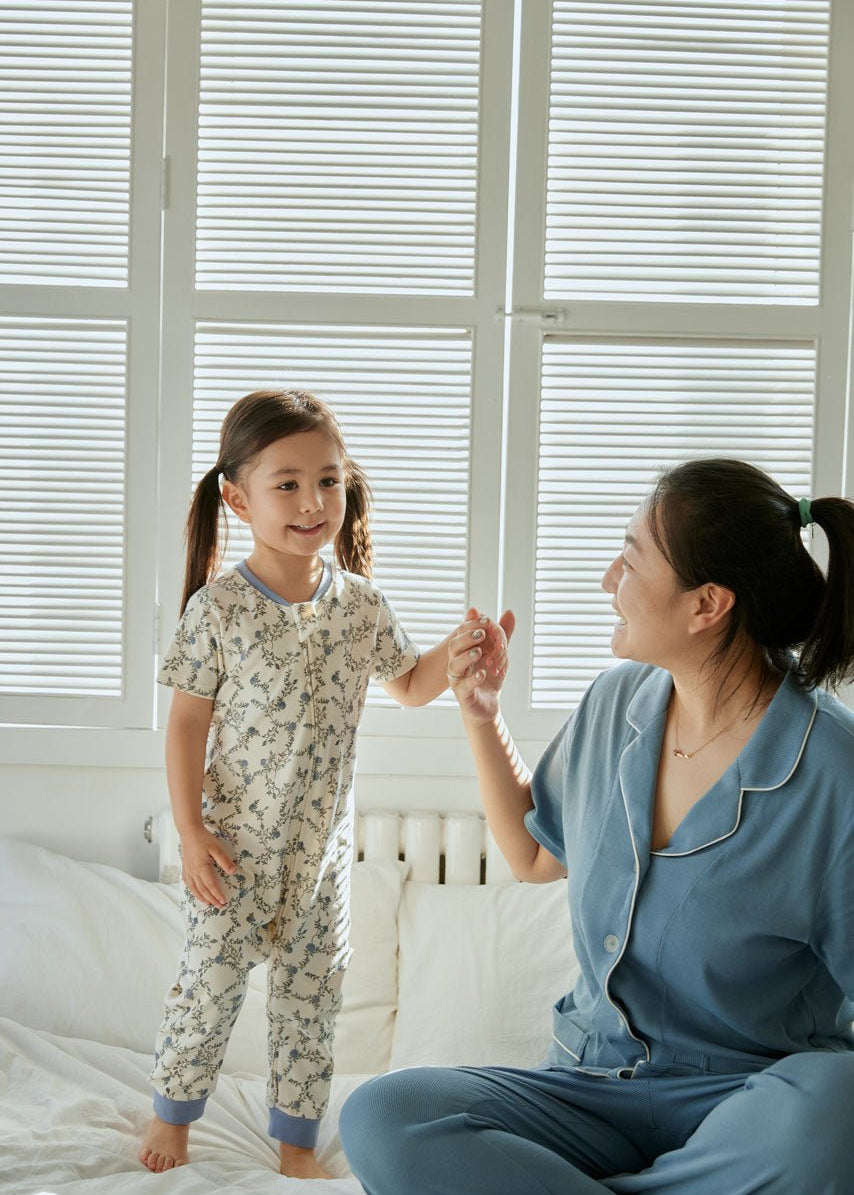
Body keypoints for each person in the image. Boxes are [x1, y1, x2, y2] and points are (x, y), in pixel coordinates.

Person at [340, 457, 854, 1194]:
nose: (609, 577)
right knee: (384, 1115)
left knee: (838, 1108)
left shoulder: (833, 771)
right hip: (589, 1090)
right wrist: (482, 714)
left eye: (633, 557)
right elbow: (530, 853)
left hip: (744, 1108)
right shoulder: (619, 705)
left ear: (706, 603)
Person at [138, 389, 501, 1178]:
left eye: (329, 481)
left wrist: (464, 645)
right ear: (237, 496)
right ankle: (173, 1117)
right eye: (289, 483)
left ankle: (295, 1143)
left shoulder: (361, 605)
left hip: (320, 862)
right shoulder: (218, 610)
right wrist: (191, 830)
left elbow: (408, 683)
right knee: (209, 991)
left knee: (311, 1004)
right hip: (229, 855)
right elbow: (185, 726)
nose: (313, 502)